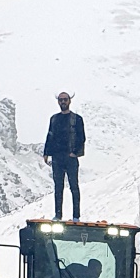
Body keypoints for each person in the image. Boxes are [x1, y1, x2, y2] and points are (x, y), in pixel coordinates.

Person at [43, 91, 86, 220]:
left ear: (69, 101)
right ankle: (58, 215)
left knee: (74, 186)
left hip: (70, 157)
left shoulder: (77, 119)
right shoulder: (54, 119)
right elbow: (50, 136)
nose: (63, 102)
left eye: (65, 99)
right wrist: (46, 153)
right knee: (58, 187)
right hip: (57, 157)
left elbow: (81, 137)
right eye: (61, 100)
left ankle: (76, 216)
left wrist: (75, 153)